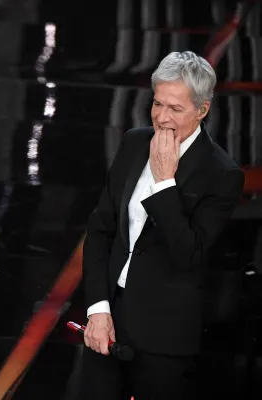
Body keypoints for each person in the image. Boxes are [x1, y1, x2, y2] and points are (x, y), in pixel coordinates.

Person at [80, 51, 245, 399]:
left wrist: (164, 182)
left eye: (176, 108)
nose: (162, 117)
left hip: (163, 339)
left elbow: (188, 255)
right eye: (158, 104)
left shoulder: (222, 174)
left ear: (202, 110)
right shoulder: (134, 142)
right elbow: (100, 230)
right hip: (105, 323)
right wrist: (98, 309)